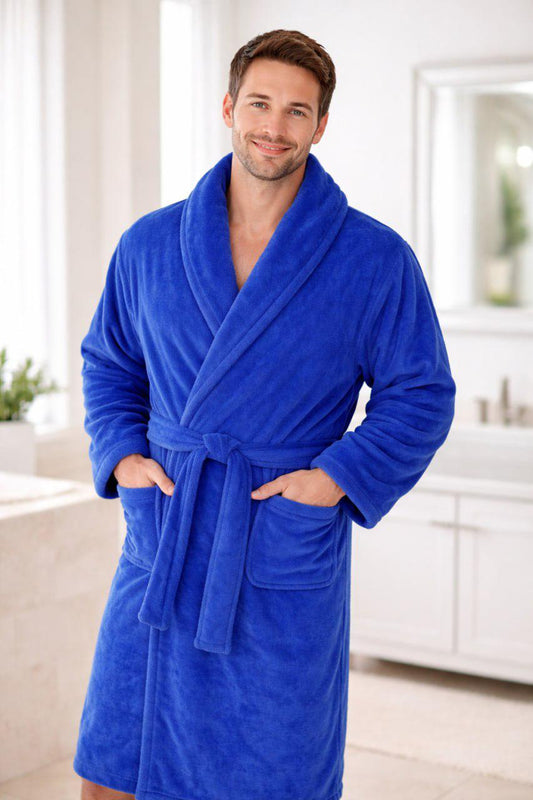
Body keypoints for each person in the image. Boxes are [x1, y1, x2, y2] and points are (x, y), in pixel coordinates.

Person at [73, 28, 456, 800]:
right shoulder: (149, 244)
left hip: (275, 543)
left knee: (271, 769)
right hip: (166, 535)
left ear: (320, 125)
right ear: (228, 108)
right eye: (258, 103)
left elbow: (420, 393)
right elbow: (110, 363)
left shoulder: (372, 259)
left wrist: (332, 478)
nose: (273, 126)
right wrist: (123, 457)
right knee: (113, 769)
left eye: (295, 111)